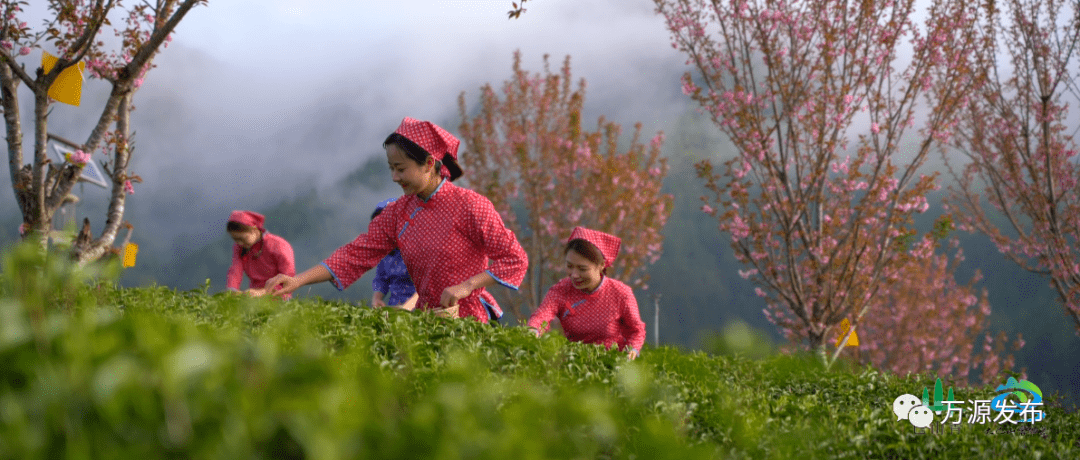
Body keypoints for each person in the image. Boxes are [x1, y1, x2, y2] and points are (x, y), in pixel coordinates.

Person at [262, 117, 527, 322]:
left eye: (401, 169)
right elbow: (354, 254)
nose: (394, 178)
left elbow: (514, 258)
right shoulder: (398, 213)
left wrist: (467, 286)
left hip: (471, 321)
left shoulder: (470, 205)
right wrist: (297, 281)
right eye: (391, 168)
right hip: (427, 321)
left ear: (427, 163)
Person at [527, 227, 646, 359]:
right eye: (569, 266)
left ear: (601, 265)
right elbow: (542, 315)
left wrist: (632, 350)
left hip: (613, 361)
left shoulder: (621, 293)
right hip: (575, 361)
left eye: (582, 269)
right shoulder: (561, 290)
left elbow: (636, 330)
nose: (574, 275)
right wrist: (533, 330)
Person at [226, 210, 296, 299]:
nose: (239, 243)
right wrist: (232, 291)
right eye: (235, 239)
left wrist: (264, 292)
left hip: (280, 296)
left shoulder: (278, 245)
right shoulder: (240, 248)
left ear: (254, 229)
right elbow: (235, 271)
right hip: (254, 296)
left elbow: (288, 278)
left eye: (242, 238)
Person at [369, 198, 419, 310]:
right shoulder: (387, 253)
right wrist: (377, 299)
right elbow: (381, 279)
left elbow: (429, 285)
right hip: (396, 308)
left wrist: (408, 307)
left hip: (422, 311)